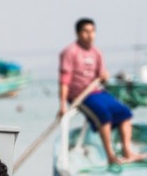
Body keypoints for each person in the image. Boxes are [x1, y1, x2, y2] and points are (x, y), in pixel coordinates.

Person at [58, 18, 146, 165]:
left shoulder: (96, 52)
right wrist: (62, 105)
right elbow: (64, 80)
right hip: (80, 95)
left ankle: (127, 151)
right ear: (78, 33)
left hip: (97, 92)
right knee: (103, 115)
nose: (89, 35)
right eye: (86, 31)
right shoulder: (69, 52)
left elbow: (102, 77)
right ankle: (111, 156)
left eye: (92, 31)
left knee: (125, 113)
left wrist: (105, 76)